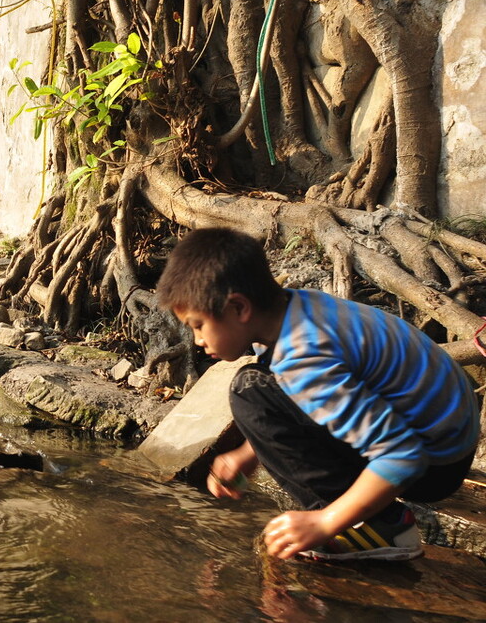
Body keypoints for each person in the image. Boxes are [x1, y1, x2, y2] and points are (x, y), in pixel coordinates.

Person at [156, 227, 480, 562]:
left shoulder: (304, 359)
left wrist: (326, 522)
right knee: (257, 386)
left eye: (198, 325)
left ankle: (381, 527)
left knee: (249, 391)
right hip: (449, 444)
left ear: (238, 308)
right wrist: (247, 454)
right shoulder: (298, 311)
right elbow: (308, 401)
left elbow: (403, 456)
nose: (197, 341)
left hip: (433, 463)